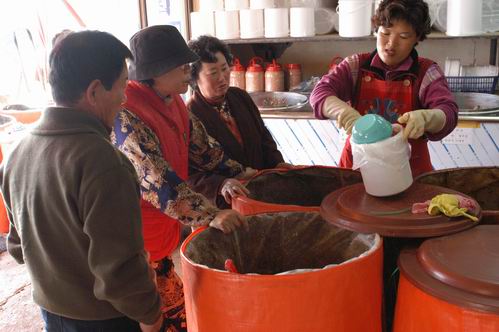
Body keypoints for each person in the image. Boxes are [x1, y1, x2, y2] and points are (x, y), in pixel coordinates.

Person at [0, 31, 163, 332]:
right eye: (123, 86)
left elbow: (18, 248)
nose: (125, 98)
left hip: (50, 313)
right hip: (105, 321)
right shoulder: (104, 162)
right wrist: (152, 315)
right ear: (94, 92)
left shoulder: (15, 154)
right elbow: (120, 274)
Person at [112, 25, 249, 331]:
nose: (189, 70)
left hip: (164, 234)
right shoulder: (127, 114)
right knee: (150, 318)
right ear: (157, 72)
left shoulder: (174, 102)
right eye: (182, 66)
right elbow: (158, 183)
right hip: (137, 240)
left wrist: (246, 173)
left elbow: (204, 150)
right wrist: (209, 215)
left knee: (173, 314)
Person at [310, 0, 458, 177]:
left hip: (410, 174)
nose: (391, 44)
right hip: (357, 171)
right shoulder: (355, 66)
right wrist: (344, 113)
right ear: (376, 29)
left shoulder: (427, 73)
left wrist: (427, 118)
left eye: (403, 37)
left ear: (417, 38)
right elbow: (319, 93)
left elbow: (448, 112)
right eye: (385, 32)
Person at [187, 35, 292, 207]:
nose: (222, 77)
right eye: (213, 73)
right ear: (195, 78)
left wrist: (276, 163)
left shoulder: (239, 97)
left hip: (260, 191)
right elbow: (190, 174)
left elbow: (263, 136)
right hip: (225, 204)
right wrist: (220, 184)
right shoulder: (190, 115)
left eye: (224, 68)